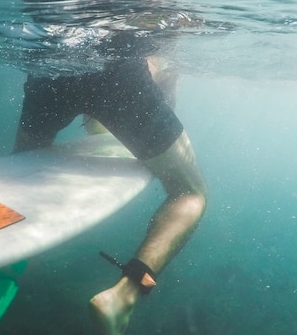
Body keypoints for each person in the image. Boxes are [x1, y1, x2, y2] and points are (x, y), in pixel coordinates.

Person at [14, 48, 208, 335]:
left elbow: (97, 126)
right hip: (119, 72)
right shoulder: (164, 43)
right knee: (189, 192)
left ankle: (13, 248)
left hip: (49, 62)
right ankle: (125, 293)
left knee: (21, 166)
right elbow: (161, 107)